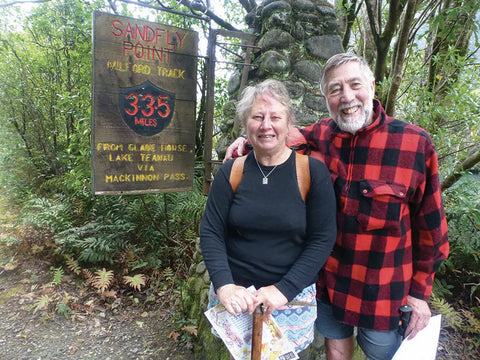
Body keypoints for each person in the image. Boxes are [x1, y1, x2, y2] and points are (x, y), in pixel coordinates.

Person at [225, 54, 450, 360]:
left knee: (383, 355)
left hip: (384, 289)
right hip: (332, 282)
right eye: (335, 89)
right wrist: (243, 140)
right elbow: (273, 134)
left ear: (371, 86)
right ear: (325, 98)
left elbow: (433, 231)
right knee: (336, 351)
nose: (347, 96)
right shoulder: (320, 135)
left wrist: (420, 294)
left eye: (355, 84)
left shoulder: (414, 144)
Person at [200, 79, 337, 356]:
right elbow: (211, 231)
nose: (266, 125)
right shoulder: (231, 173)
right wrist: (225, 286)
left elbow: (323, 239)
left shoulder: (312, 173)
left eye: (275, 117)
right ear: (245, 124)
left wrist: (283, 289)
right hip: (236, 302)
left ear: (289, 124)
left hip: (289, 301)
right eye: (257, 117)